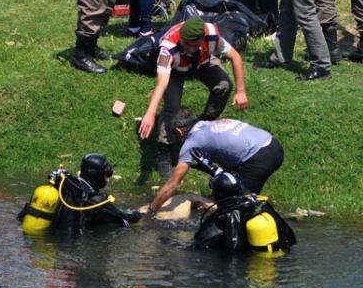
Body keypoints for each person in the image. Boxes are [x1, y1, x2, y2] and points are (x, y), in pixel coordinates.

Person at [137, 17, 249, 176]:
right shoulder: (167, 48)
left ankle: (202, 128)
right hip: (174, 71)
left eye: (194, 45)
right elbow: (162, 83)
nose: (190, 48)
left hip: (202, 62)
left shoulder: (212, 35)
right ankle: (164, 150)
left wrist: (241, 91)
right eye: (186, 44)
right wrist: (150, 113)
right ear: (181, 38)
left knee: (224, 85)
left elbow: (235, 57)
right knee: (172, 105)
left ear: (202, 39)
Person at [148, 108, 284, 212]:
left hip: (258, 158)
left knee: (236, 206)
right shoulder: (209, 125)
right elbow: (228, 154)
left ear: (178, 131)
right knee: (229, 192)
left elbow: (173, 183)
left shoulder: (192, 142)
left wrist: (153, 208)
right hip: (274, 145)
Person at [18, 153, 142, 236]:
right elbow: (124, 220)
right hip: (70, 248)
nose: (107, 179)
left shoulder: (65, 184)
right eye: (106, 175)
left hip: (43, 236)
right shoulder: (97, 202)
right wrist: (139, 214)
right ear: (97, 175)